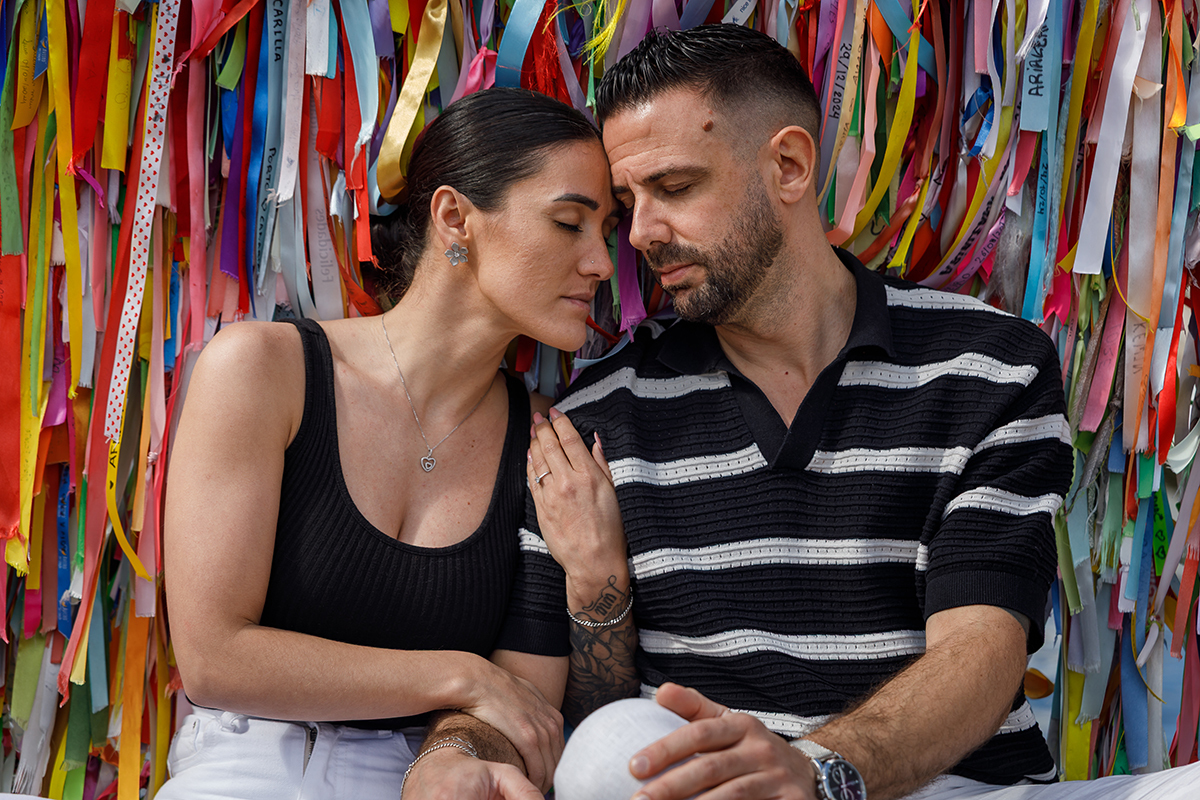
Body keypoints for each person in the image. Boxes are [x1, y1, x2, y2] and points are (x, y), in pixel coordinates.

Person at [508, 24, 1200, 800]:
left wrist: (819, 770)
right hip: (715, 793)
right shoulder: (597, 417)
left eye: (674, 188)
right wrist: (596, 588)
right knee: (604, 757)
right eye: (627, 204)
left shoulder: (985, 365)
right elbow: (559, 722)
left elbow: (983, 645)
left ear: (789, 166)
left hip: (955, 790)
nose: (640, 235)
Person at [161, 87, 618, 799]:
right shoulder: (262, 371)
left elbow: (524, 705)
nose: (603, 264)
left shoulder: (544, 442)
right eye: (569, 223)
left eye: (606, 232)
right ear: (454, 217)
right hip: (249, 766)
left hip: (433, 780)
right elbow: (214, 659)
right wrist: (462, 675)